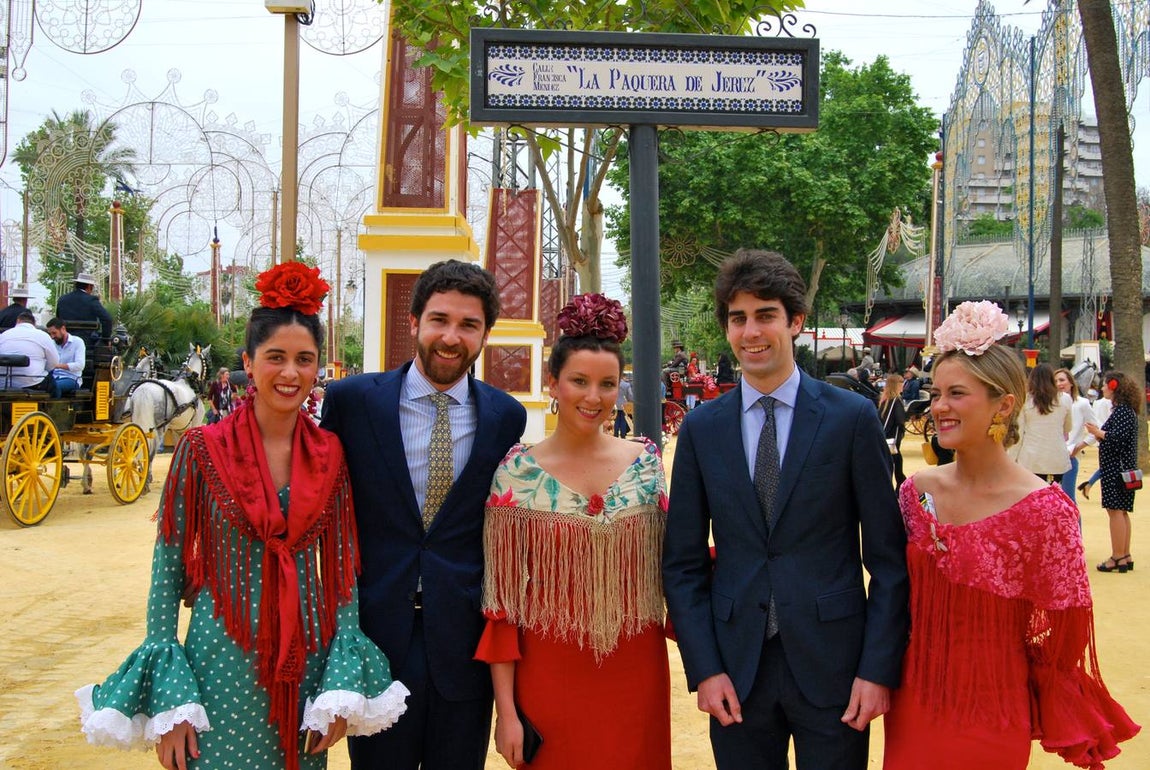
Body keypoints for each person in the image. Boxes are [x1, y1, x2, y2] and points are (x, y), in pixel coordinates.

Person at [76, 262, 409, 770]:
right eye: (275, 357)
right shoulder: (200, 447)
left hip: (306, 652)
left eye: (305, 359)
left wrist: (339, 688)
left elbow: (342, 574)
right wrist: (171, 702)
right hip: (219, 653)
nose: (291, 373)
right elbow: (168, 568)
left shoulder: (330, 453)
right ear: (248, 364)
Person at [662, 249, 909, 770]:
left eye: (765, 315)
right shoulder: (702, 429)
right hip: (735, 671)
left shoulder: (851, 418)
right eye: (738, 318)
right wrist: (705, 669)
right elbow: (682, 565)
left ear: (794, 321)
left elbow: (888, 561)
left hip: (836, 668)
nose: (751, 331)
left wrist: (876, 670)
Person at [882, 301, 1139, 769]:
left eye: (957, 393)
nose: (939, 406)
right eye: (937, 392)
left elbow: (1063, 626)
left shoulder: (1044, 510)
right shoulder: (915, 493)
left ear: (1003, 404)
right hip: (911, 700)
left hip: (994, 708)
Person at [320, 259, 527, 770]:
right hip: (373, 639)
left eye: (468, 325)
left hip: (463, 642)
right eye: (439, 319)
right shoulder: (351, 402)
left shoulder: (506, 417)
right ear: (414, 322)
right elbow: (317, 500)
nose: (451, 337)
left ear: (485, 335)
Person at [477, 293, 671, 769]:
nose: (594, 397)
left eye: (608, 384)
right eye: (579, 381)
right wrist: (506, 713)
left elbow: (677, 568)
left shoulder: (646, 464)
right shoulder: (516, 473)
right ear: (553, 384)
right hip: (549, 675)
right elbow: (500, 607)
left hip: (637, 668)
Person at [1085, 371, 1141, 573]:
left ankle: (1117, 556)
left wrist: (1097, 432)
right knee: (1122, 512)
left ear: (1114, 386)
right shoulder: (1126, 411)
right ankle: (1124, 554)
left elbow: (1117, 439)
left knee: (1115, 512)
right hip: (1121, 469)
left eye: (1104, 385)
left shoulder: (1123, 411)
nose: (1102, 388)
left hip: (1116, 470)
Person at [1010, 362, 1072, 483]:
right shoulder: (1065, 399)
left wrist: (1012, 458)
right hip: (1057, 457)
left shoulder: (1025, 400)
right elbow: (1068, 427)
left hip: (1031, 458)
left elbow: (1019, 431)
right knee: (1054, 496)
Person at [1055, 367, 1097, 503]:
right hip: (1050, 458)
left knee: (1069, 499)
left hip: (1069, 456)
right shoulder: (1050, 404)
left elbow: (1094, 430)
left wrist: (1078, 447)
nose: (1059, 384)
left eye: (1062, 380)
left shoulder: (1082, 404)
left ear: (1071, 383)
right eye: (1055, 381)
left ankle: (1076, 525)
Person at [0, 310, 60, 396]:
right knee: (54, 386)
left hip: (3, 384)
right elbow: (54, 362)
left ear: (18, 321)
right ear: (34, 324)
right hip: (32, 383)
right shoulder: (42, 335)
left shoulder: (3, 335)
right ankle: (54, 407)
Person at [56, 271, 113, 344]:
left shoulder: (62, 299)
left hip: (65, 340)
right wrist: (105, 339)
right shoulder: (91, 300)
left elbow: (58, 319)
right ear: (89, 286)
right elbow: (107, 319)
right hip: (88, 343)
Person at [1078, 387, 1113, 500]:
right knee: (1108, 466)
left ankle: (1089, 484)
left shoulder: (1097, 403)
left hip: (1098, 435)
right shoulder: (1111, 403)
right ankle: (1089, 484)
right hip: (1107, 435)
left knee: (1105, 465)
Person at [879, 373, 908, 487]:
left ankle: (897, 485)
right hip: (893, 437)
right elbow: (899, 420)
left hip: (885, 435)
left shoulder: (884, 401)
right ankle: (900, 486)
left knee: (892, 462)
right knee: (896, 462)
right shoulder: (896, 400)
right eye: (901, 383)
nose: (903, 385)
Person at [46, 317, 84, 395]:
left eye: (54, 333)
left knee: (54, 386)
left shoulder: (77, 342)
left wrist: (58, 366)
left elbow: (80, 365)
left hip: (72, 378)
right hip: (53, 376)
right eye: (50, 334)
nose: (52, 337)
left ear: (63, 329)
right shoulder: (52, 343)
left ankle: (53, 406)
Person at [613, 368, 633, 438]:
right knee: (623, 419)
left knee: (616, 419)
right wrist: (631, 401)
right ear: (623, 377)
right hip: (624, 404)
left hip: (615, 404)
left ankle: (615, 433)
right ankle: (623, 434)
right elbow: (630, 395)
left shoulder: (614, 384)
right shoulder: (627, 385)